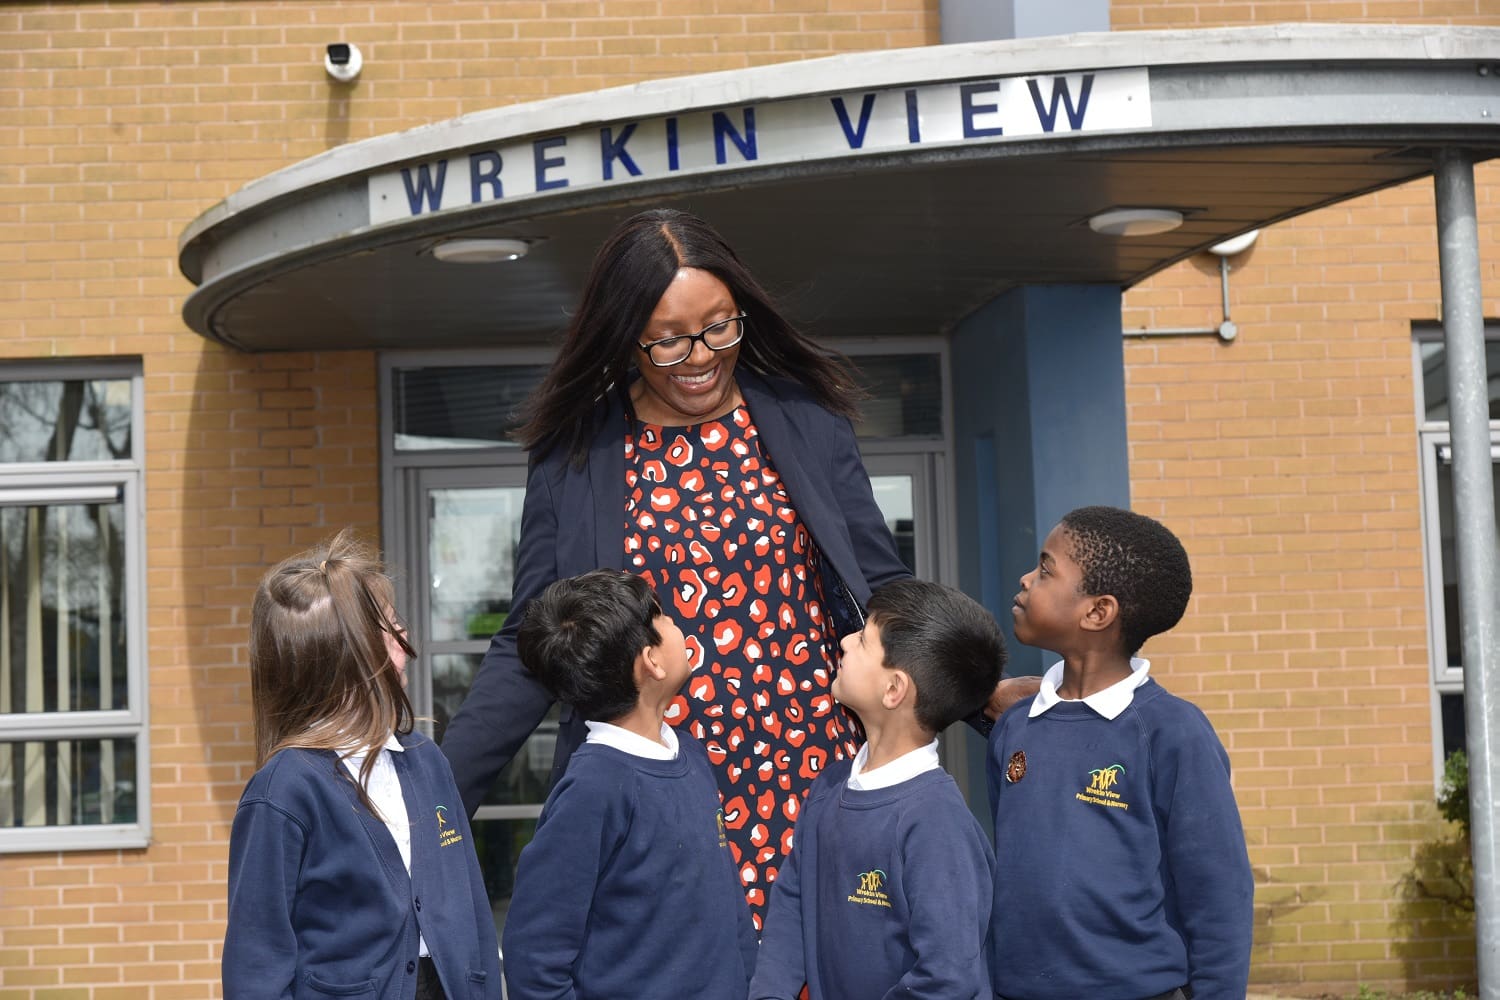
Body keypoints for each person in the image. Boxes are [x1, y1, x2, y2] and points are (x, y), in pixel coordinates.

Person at [440, 206, 1037, 926]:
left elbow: (882, 589)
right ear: (624, 338)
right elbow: (532, 637)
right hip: (662, 790)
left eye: (719, 326)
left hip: (811, 771)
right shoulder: (576, 453)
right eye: (668, 342)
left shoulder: (802, 417)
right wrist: (435, 794)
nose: (699, 356)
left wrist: (978, 696)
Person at [223, 530, 502, 1000]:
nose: (405, 636)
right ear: (347, 659)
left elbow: (472, 907)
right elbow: (257, 960)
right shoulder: (283, 792)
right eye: (390, 627)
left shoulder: (426, 761)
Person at [989, 506, 1254, 1000]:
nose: (1026, 579)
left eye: (1046, 570)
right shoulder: (1013, 728)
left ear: (1097, 611)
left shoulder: (1172, 732)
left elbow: (1218, 893)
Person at [501, 570, 757, 999]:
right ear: (650, 662)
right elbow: (535, 954)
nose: (675, 624)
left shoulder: (689, 754)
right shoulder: (594, 787)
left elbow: (727, 905)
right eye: (661, 619)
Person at [750, 579, 1005, 1000]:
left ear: (893, 690)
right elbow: (793, 903)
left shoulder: (936, 824)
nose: (847, 640)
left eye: (864, 640)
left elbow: (947, 977)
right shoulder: (830, 787)